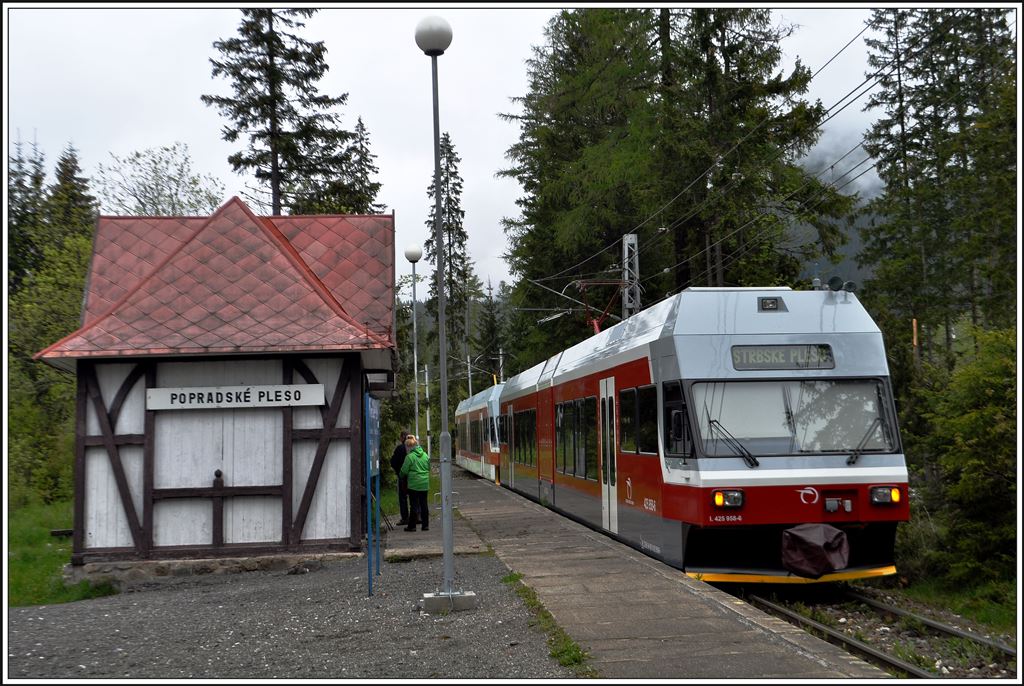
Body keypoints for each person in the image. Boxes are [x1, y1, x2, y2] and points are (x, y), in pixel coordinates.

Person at [399, 434, 430, 532]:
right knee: (424, 504)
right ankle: (425, 525)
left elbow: (404, 471)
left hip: (414, 485)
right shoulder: (425, 455)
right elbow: (428, 468)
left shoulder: (410, 457)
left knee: (414, 505)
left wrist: (400, 475)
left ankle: (412, 526)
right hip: (424, 483)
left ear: (409, 447)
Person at [389, 430, 411, 525]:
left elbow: (393, 461)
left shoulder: (400, 448)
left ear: (402, 437)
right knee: (415, 496)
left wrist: (397, 470)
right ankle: (417, 516)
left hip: (402, 476)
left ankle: (405, 518)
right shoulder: (414, 448)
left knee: (403, 497)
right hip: (414, 476)